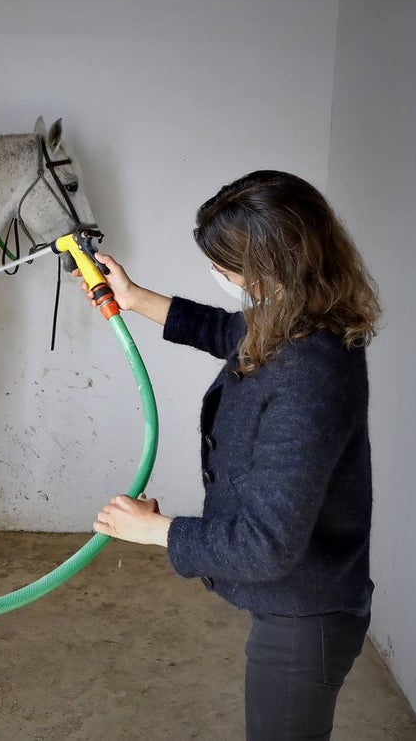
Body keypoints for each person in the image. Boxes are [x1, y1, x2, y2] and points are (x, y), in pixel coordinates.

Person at [82, 170, 381, 741]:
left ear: (271, 268)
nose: (217, 277)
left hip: (304, 618)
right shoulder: (306, 314)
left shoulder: (308, 374)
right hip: (304, 605)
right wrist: (135, 298)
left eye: (223, 266)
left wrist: (155, 531)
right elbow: (231, 331)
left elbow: (265, 547)